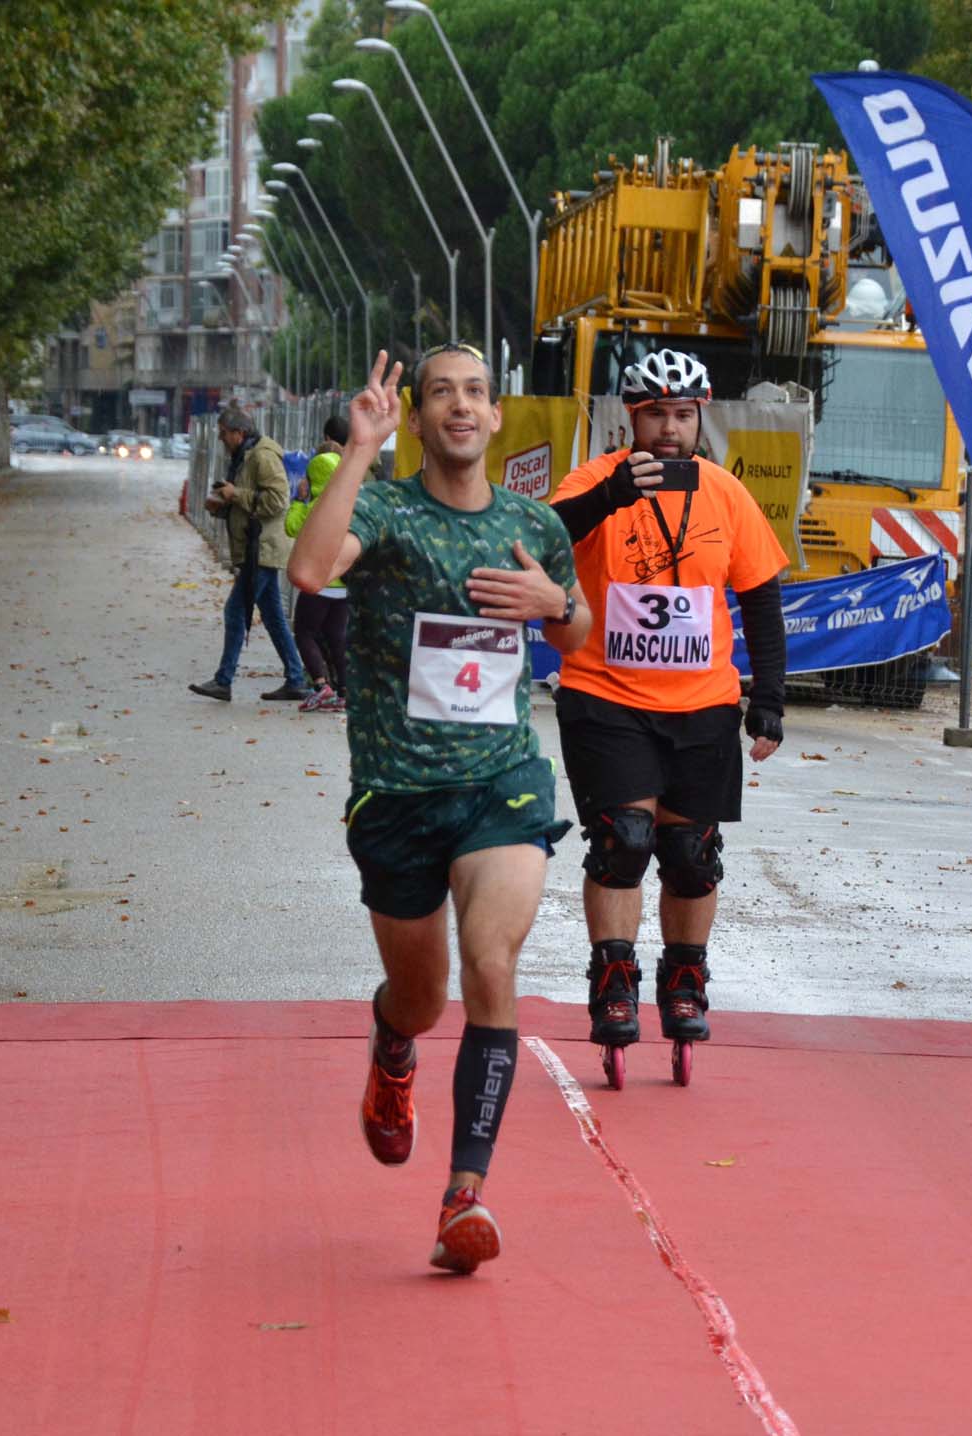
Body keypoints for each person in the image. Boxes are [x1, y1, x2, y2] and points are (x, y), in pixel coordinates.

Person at [288, 344, 590, 1274]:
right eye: (439, 395)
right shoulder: (382, 508)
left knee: (491, 959)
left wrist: (551, 603)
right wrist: (362, 453)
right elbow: (306, 572)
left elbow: (578, 631)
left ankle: (466, 1194)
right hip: (397, 793)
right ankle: (392, 1045)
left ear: (497, 417)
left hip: (502, 784)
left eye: (475, 393)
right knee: (421, 1000)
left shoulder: (534, 522)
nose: (460, 407)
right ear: (416, 417)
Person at [549, 348, 788, 1055]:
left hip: (703, 703)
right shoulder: (593, 481)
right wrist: (609, 499)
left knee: (690, 853)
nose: (670, 429)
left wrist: (769, 699)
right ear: (632, 415)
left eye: (683, 415)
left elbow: (762, 599)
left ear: (699, 417)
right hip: (606, 695)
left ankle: (684, 979)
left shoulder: (724, 493)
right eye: (656, 413)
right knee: (624, 841)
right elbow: (537, 539)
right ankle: (613, 982)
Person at [189, 406, 309, 703]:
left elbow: (278, 501)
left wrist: (235, 495)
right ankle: (296, 678)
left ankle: (223, 680)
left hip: (263, 550)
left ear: (239, 433)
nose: (221, 440)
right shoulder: (245, 456)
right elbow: (249, 501)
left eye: (223, 434)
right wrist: (222, 506)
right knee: (273, 616)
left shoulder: (262, 456)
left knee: (235, 611)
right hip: (255, 549)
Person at [285, 416, 351, 713]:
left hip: (317, 581)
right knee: (337, 635)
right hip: (344, 584)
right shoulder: (350, 503)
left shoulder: (312, 506)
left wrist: (299, 500)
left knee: (305, 632)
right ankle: (347, 689)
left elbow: (290, 527)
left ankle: (322, 685)